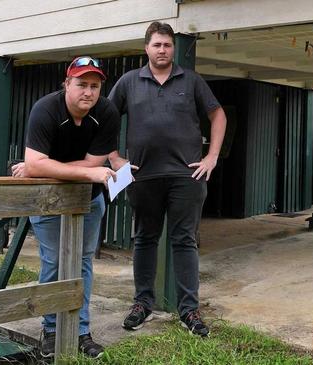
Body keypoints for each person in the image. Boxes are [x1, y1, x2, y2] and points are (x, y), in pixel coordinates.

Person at [107, 21, 227, 337]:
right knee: (145, 237)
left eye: (167, 45)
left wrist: (211, 157)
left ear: (173, 48)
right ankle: (142, 304)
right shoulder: (130, 82)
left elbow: (218, 115)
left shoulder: (191, 80)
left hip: (186, 176)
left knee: (184, 240)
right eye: (157, 45)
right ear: (146, 48)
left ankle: (189, 310)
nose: (163, 50)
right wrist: (115, 159)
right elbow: (105, 118)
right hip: (142, 176)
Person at [11, 56, 121, 358]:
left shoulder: (107, 112)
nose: (88, 91)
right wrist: (44, 168)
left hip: (89, 198)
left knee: (83, 262)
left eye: (94, 86)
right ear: (67, 84)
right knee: (54, 261)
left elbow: (93, 163)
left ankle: (80, 330)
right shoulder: (45, 109)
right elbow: (85, 169)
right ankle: (51, 329)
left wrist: (42, 166)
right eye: (81, 84)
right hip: (47, 197)